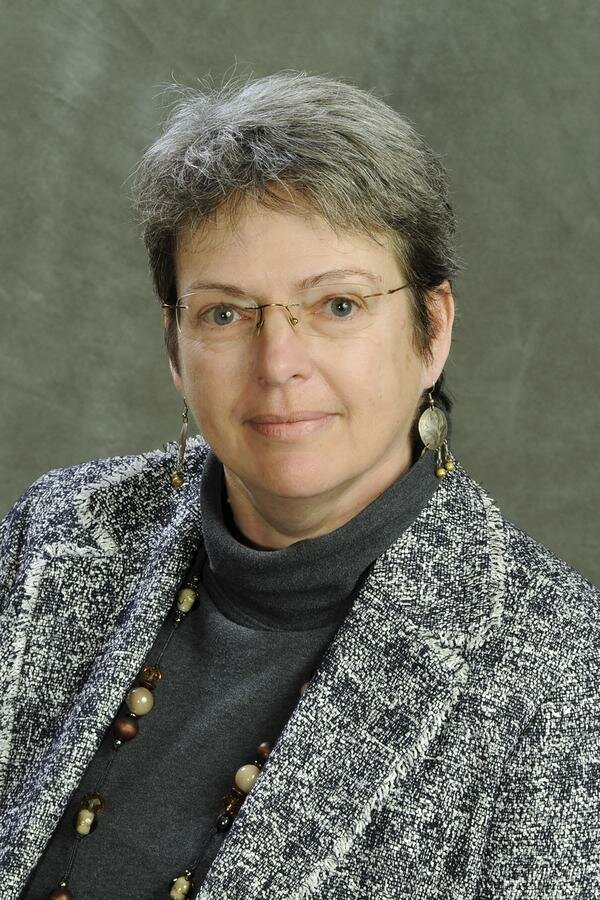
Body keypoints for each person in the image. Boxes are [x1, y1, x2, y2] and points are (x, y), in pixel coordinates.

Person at [0, 72, 598, 900]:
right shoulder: (53, 532)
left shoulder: (562, 674)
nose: (279, 364)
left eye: (337, 306)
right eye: (225, 313)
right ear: (175, 347)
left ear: (431, 330)